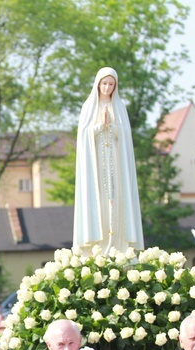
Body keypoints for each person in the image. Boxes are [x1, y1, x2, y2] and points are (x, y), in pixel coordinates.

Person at [73, 66, 144, 255]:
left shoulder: (119, 108)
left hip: (115, 162)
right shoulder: (89, 107)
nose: (107, 88)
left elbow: (125, 136)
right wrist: (98, 127)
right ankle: (98, 247)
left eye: (111, 84)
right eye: (104, 83)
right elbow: (84, 137)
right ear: (98, 85)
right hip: (97, 164)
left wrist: (111, 126)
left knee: (116, 200)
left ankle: (117, 246)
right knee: (100, 202)